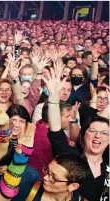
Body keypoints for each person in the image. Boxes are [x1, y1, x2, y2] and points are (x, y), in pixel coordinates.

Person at [45, 68, 109, 201]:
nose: (98, 136)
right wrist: (54, 96)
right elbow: (56, 130)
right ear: (83, 135)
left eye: (104, 133)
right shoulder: (71, 157)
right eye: (92, 131)